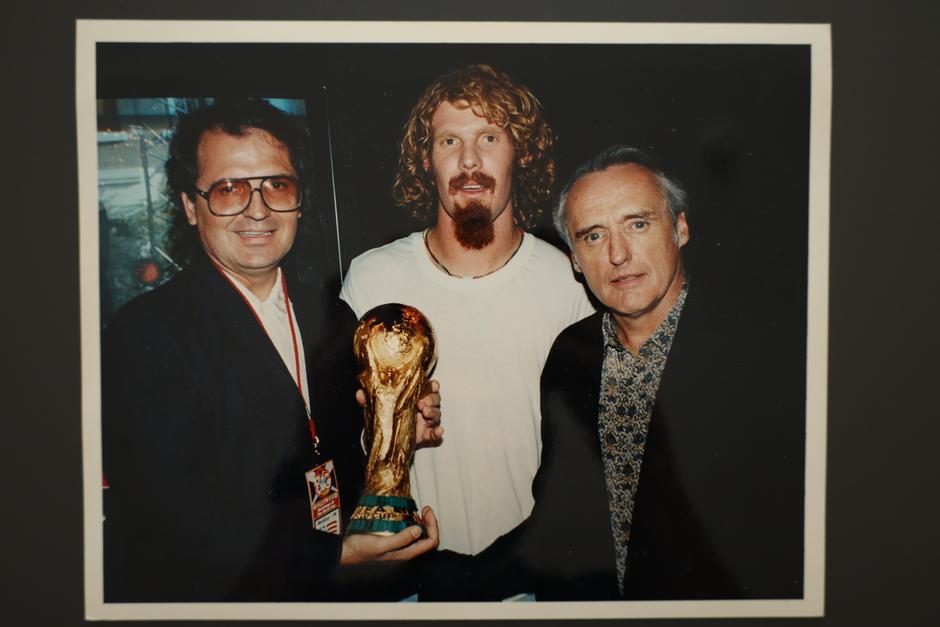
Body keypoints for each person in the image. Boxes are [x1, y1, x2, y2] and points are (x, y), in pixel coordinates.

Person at [429, 145, 805, 600]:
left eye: (638, 224)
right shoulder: (570, 355)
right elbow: (561, 524)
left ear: (681, 229)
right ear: (574, 258)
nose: (617, 254)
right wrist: (437, 573)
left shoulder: (758, 355)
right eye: (592, 236)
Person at [102, 99, 441, 602]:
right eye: (229, 189)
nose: (257, 209)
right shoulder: (145, 334)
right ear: (191, 206)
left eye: (277, 185)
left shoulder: (332, 316)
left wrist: (393, 432)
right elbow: (167, 521)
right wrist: (334, 555)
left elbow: (333, 451)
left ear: (299, 199)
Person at [339, 64, 594, 556]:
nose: (469, 160)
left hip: (533, 577)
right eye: (449, 141)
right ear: (426, 159)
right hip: (408, 574)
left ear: (522, 153)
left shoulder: (570, 283)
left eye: (490, 138)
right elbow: (337, 440)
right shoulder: (371, 280)